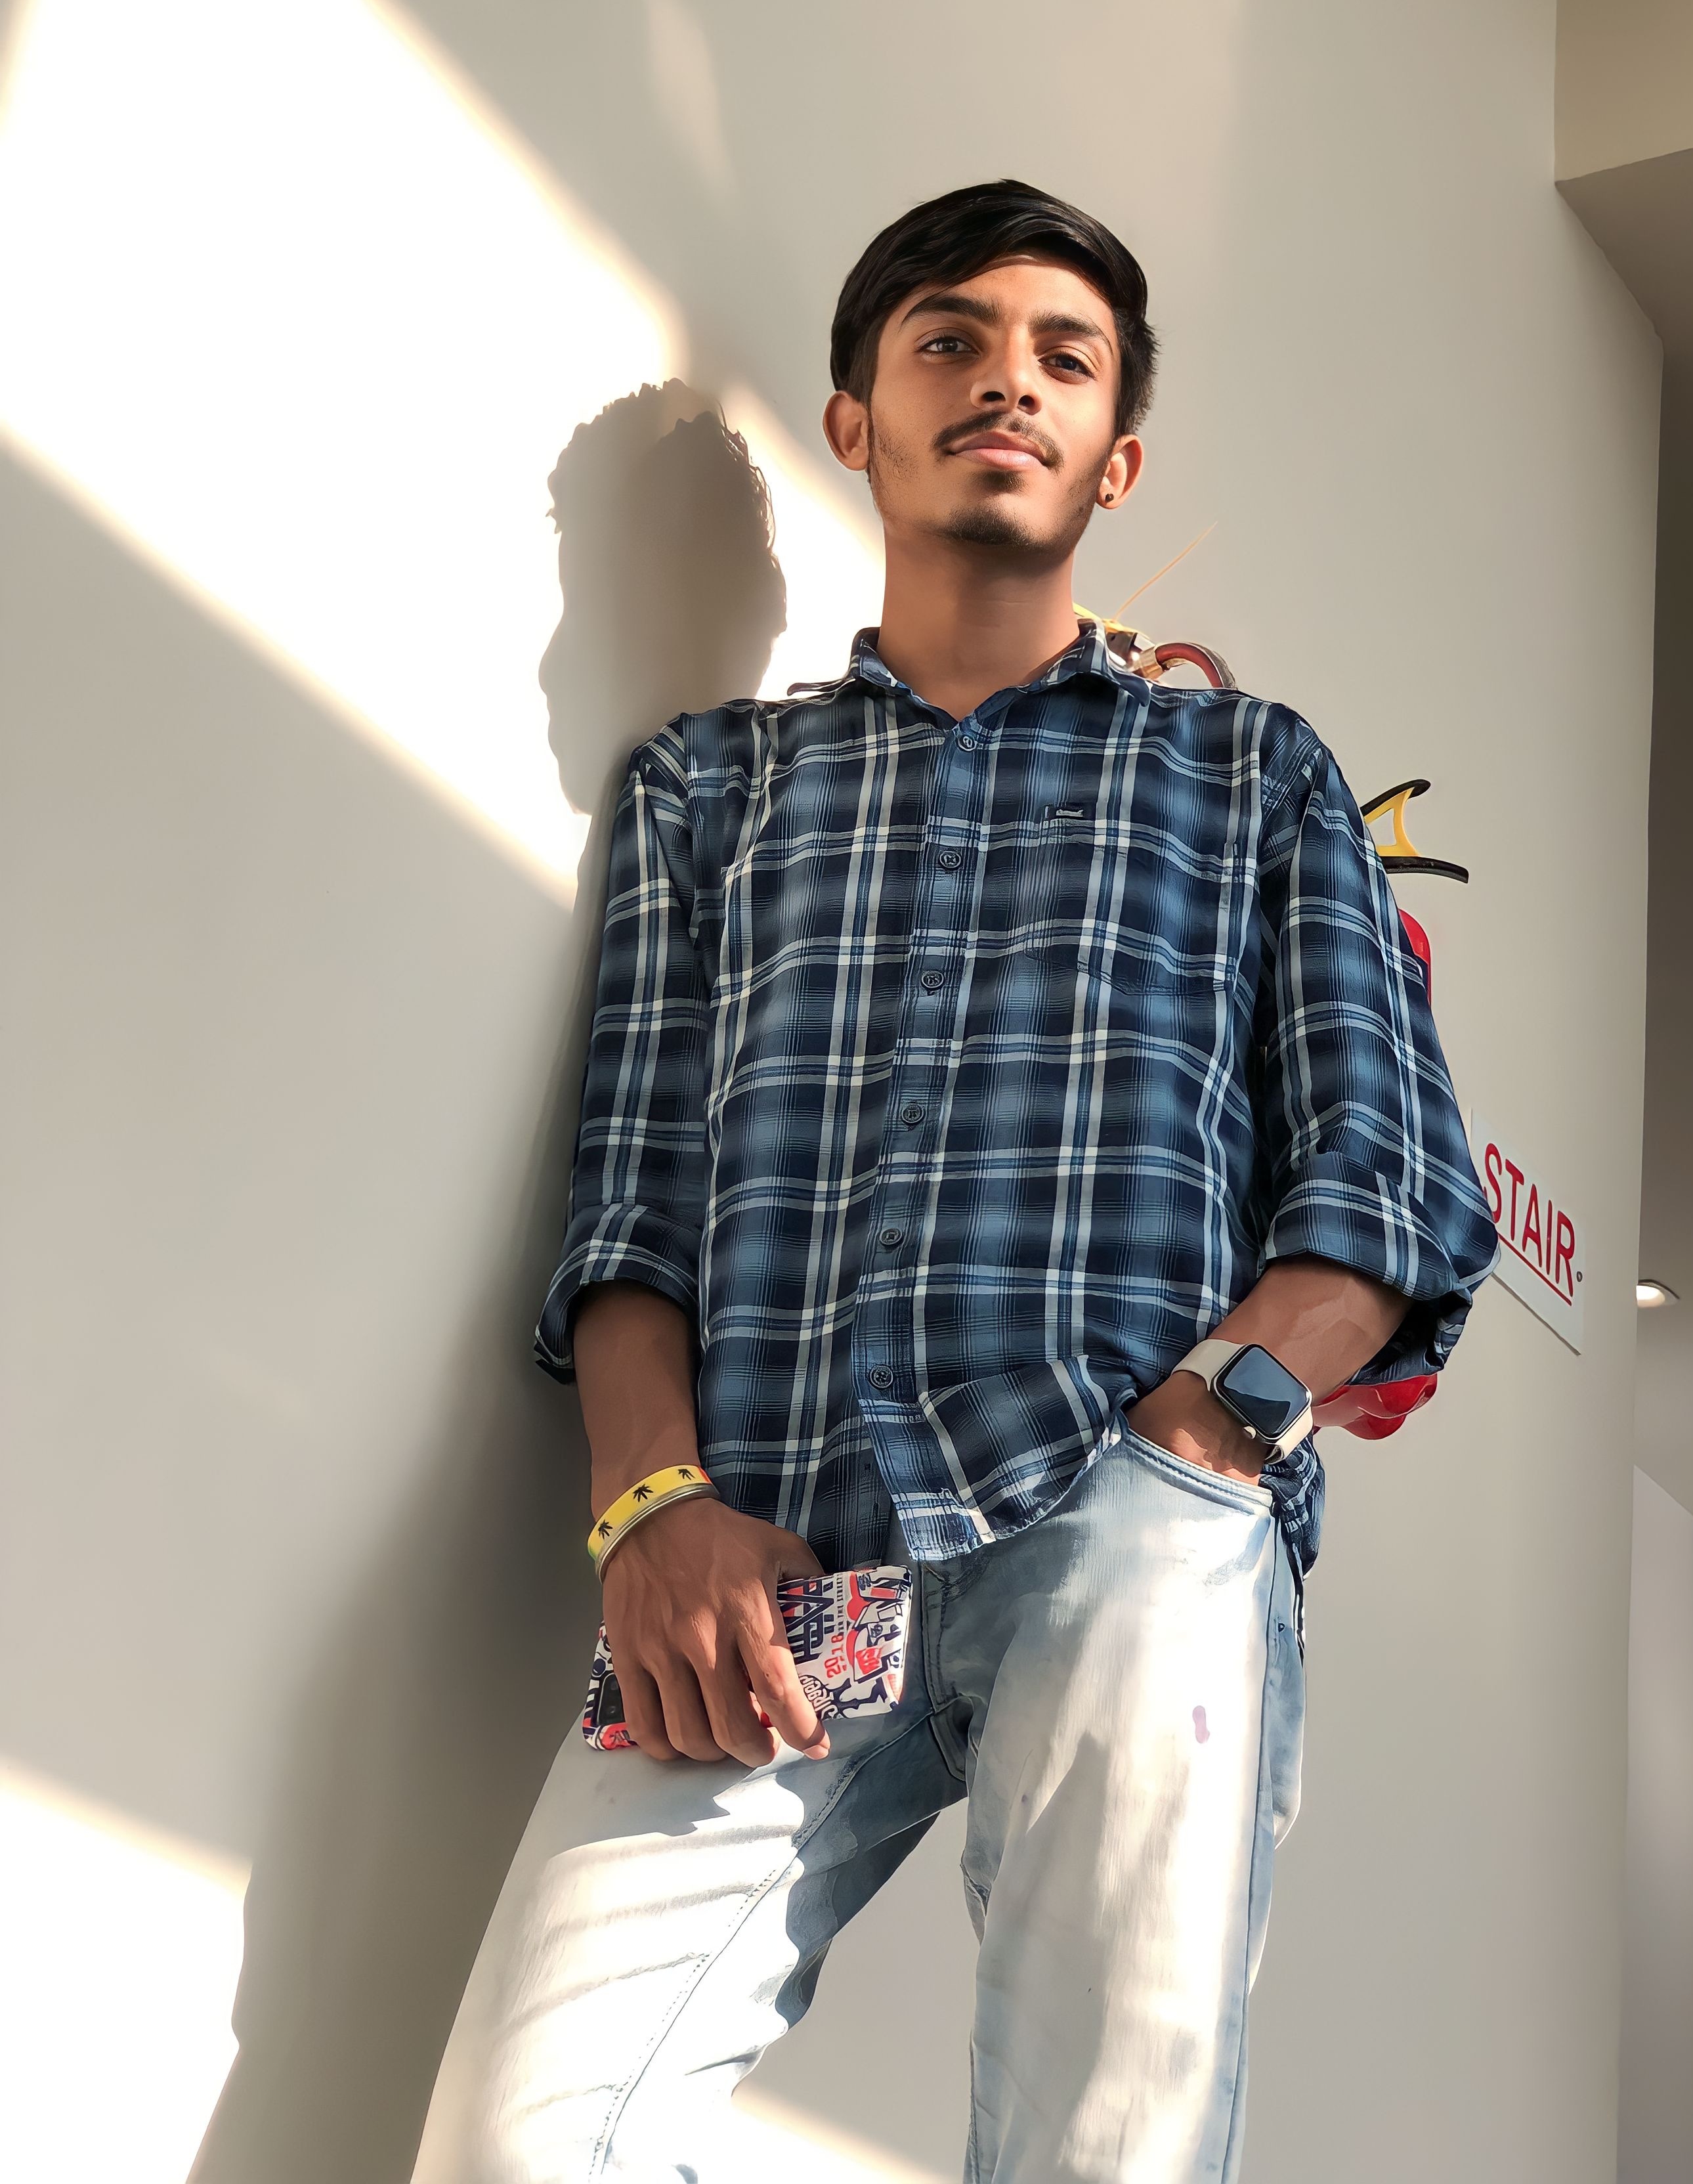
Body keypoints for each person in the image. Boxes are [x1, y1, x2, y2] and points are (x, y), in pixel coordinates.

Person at [412, 179, 1497, 2184]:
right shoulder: (709, 789)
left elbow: (1396, 1178)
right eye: (950, 342)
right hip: (767, 1567)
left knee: (1102, 2149)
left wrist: (1206, 1434)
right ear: (860, 418)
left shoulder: (1246, 772)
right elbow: (633, 1210)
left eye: (1063, 358)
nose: (1008, 381)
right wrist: (650, 1507)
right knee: (521, 2141)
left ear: (1115, 456)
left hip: (1128, 1511)